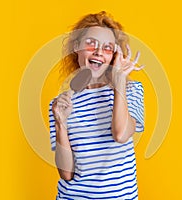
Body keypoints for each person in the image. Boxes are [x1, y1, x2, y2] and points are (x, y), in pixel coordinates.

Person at [48, 11, 145, 199]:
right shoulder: (61, 104)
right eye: (91, 43)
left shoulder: (131, 90)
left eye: (108, 48)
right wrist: (61, 123)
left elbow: (121, 134)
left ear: (114, 55)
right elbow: (66, 173)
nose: (99, 52)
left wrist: (119, 83)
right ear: (76, 47)